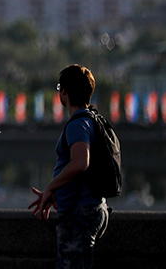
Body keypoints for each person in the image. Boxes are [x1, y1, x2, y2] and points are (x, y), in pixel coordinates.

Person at [29, 64, 110, 269]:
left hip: (79, 213)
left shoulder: (77, 124)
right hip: (89, 207)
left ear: (64, 92)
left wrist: (52, 186)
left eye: (59, 89)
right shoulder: (92, 120)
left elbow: (80, 163)